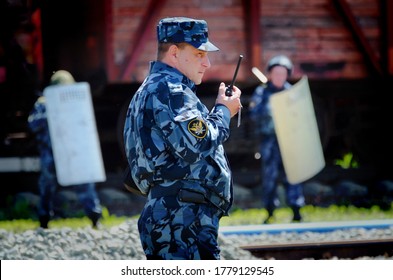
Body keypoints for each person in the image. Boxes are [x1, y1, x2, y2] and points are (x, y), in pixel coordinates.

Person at [123, 17, 242, 260]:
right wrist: (223, 111)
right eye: (199, 53)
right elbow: (197, 144)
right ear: (175, 52)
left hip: (176, 216)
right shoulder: (170, 90)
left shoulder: (152, 88)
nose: (207, 63)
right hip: (183, 219)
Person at [28, 70, 102, 229]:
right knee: (55, 187)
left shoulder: (47, 103)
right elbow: (33, 125)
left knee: (79, 185)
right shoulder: (45, 103)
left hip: (64, 153)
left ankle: (94, 218)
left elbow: (33, 125)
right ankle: (45, 220)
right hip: (60, 153)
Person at [249, 55, 305, 223]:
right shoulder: (262, 92)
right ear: (270, 74)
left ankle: (296, 209)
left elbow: (301, 116)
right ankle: (270, 211)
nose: (279, 77)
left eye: (282, 73)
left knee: (293, 175)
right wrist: (271, 106)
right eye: (276, 73)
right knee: (269, 176)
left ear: (287, 75)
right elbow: (253, 115)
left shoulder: (292, 93)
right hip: (269, 141)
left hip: (289, 140)